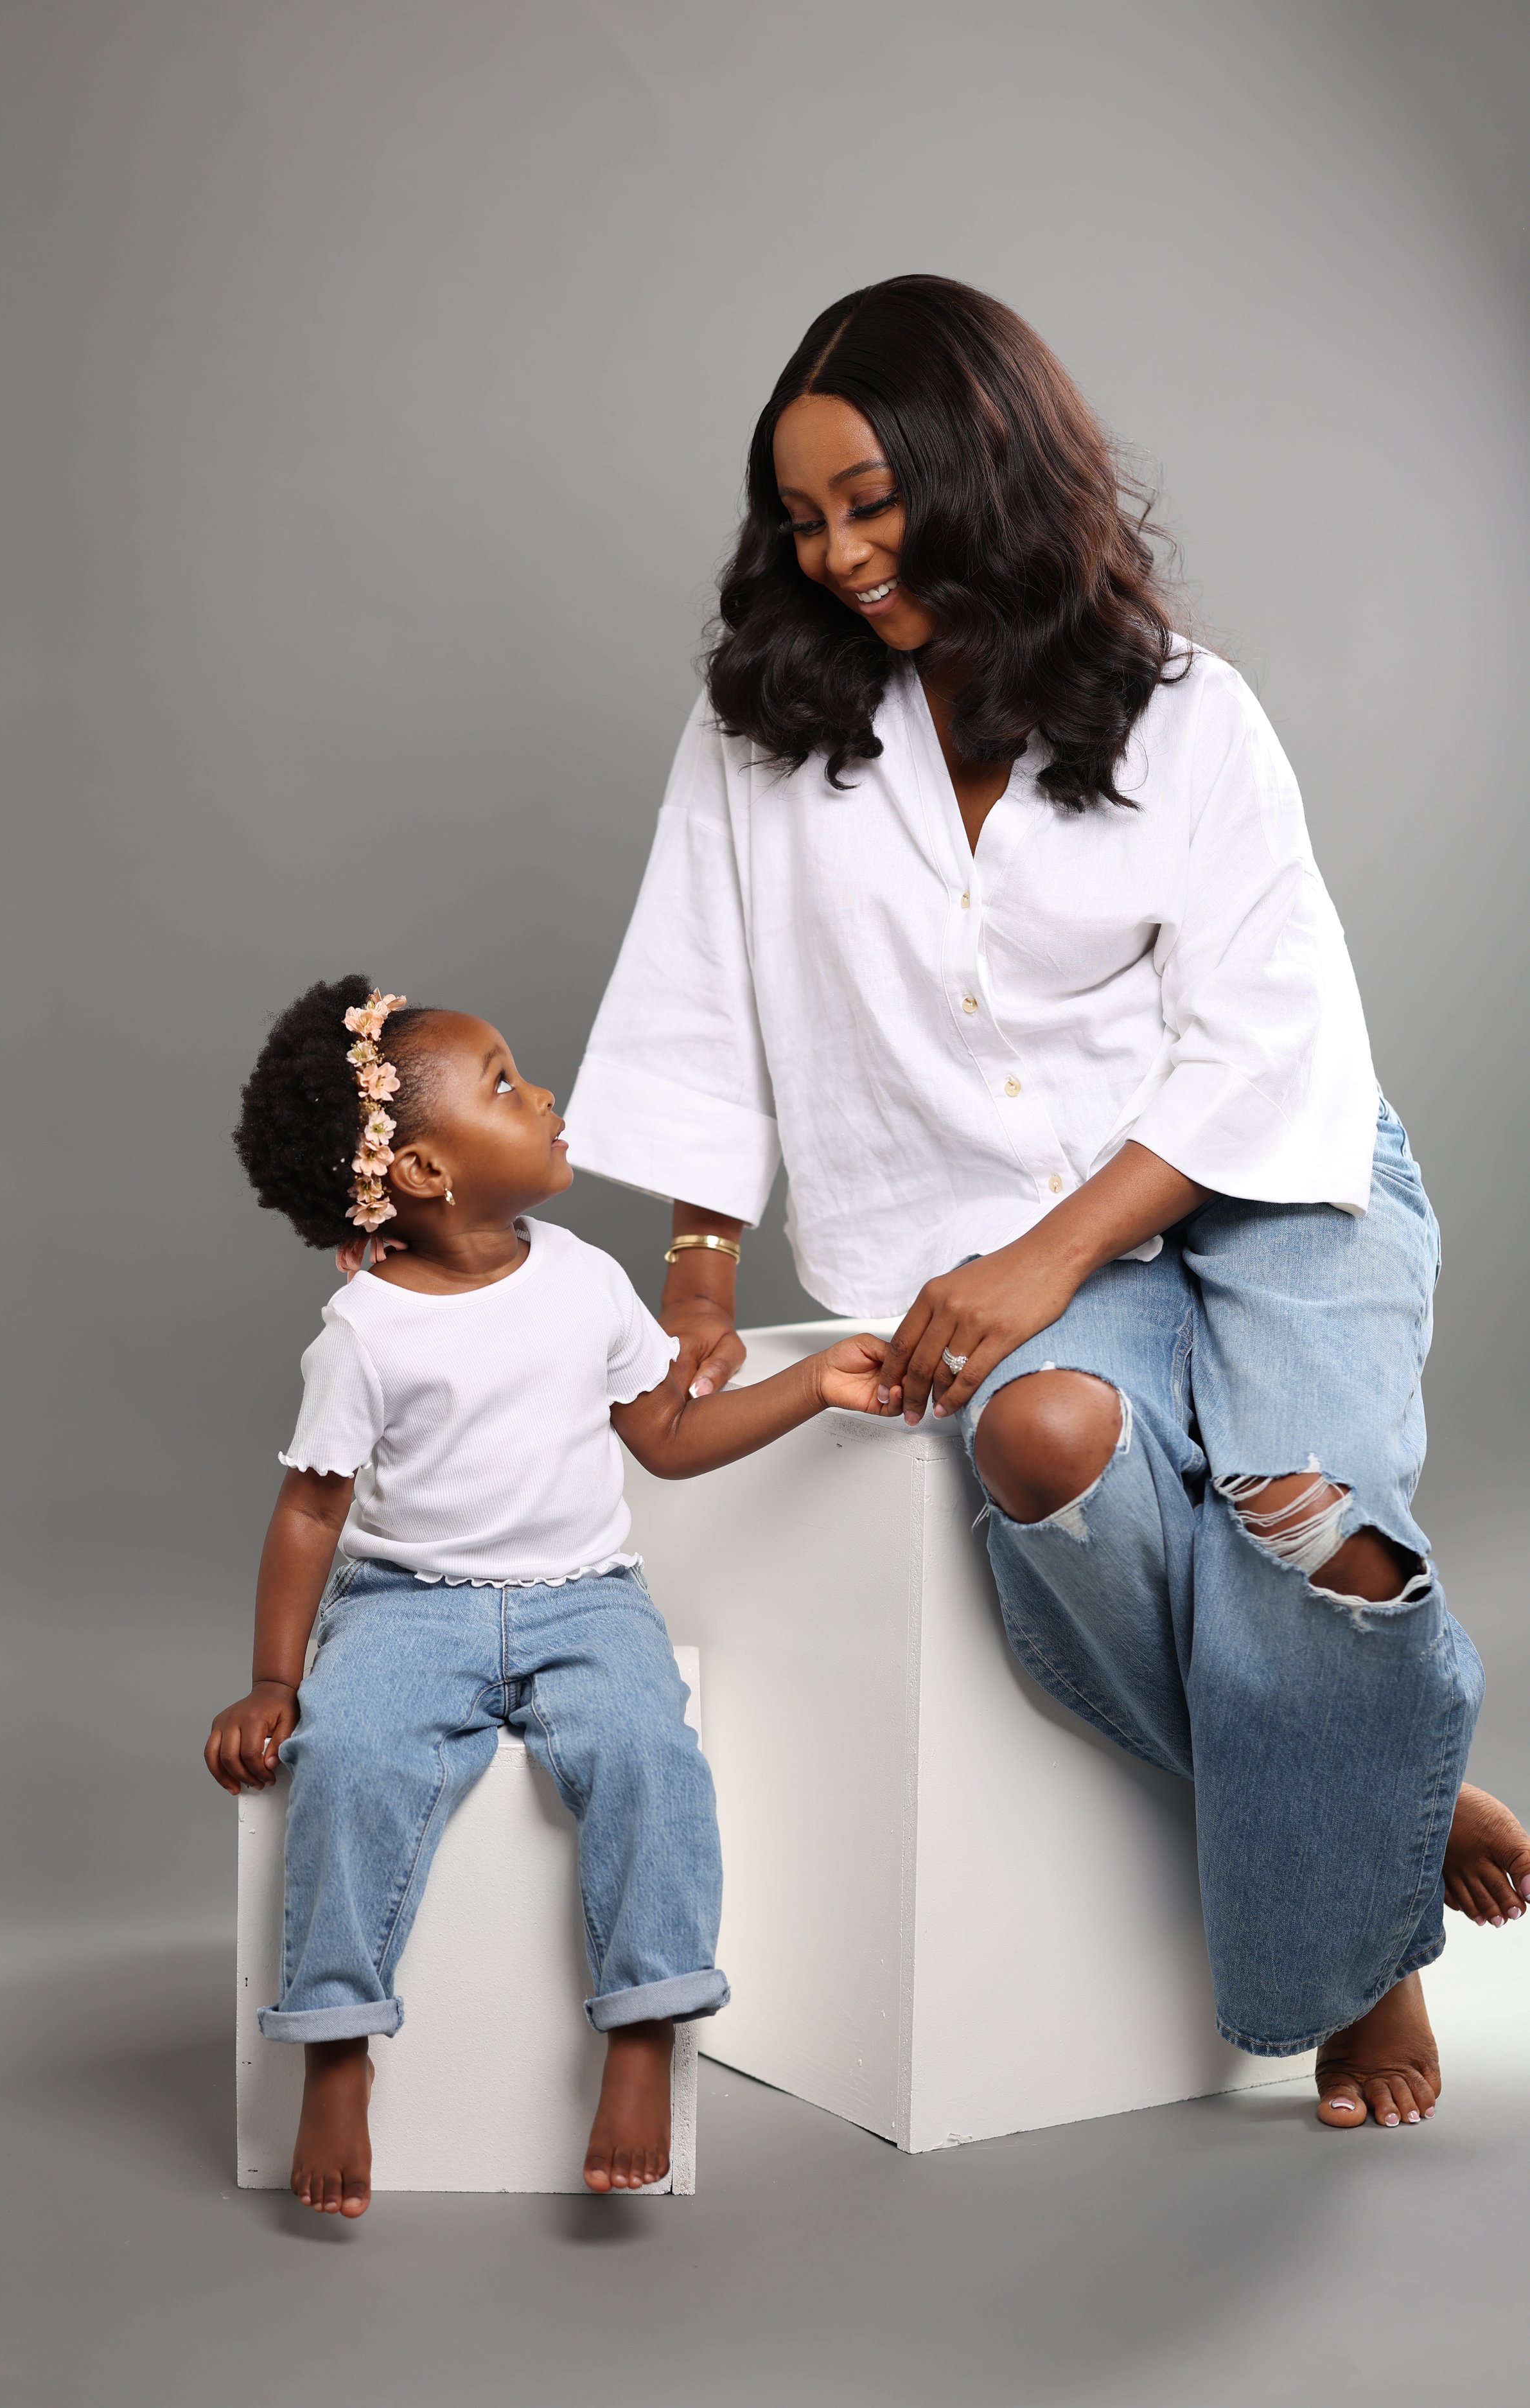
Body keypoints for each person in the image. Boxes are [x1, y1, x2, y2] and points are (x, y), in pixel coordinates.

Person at [565, 274, 1530, 2131]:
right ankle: (1390, 1811)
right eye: (802, 512)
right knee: (1044, 1446)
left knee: (1307, 1524)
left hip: (1265, 1181)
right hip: (983, 1230)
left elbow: (1266, 1044)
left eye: (872, 500)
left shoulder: (1186, 714)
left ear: (985, 472)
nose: (835, 552)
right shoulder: (760, 726)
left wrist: (1047, 1254)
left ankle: (1359, 1946)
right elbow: (701, 995)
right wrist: (696, 1275)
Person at [206, 976, 895, 2212]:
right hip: (409, 1604)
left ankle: (643, 2031)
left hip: (589, 1599)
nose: (546, 1093)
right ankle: (336, 2045)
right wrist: (274, 1677)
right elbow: (311, 1509)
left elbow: (666, 1441)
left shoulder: (581, 1279)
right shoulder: (363, 1331)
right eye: (508, 1083)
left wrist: (813, 1387)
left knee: (648, 1756)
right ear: (423, 1170)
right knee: (350, 1760)